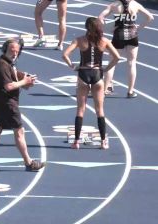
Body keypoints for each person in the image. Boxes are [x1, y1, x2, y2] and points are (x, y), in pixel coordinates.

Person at [0, 39, 44, 172]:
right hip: (8, 104)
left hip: (2, 103)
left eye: (17, 51)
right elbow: (8, 86)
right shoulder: (2, 64)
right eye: (12, 50)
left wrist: (26, 82)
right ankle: (29, 162)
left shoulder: (9, 64)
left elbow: (16, 80)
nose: (14, 53)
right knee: (19, 131)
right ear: (5, 49)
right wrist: (24, 81)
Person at [62, 17, 120, 150]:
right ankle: (103, 142)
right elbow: (117, 57)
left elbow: (65, 54)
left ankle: (76, 142)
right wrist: (106, 69)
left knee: (80, 110)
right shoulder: (104, 41)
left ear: (86, 27)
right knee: (100, 110)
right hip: (97, 75)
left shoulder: (79, 40)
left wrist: (72, 66)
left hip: (83, 74)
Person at [98, 0, 154, 98]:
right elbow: (150, 17)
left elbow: (100, 17)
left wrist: (108, 27)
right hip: (132, 34)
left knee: (112, 62)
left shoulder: (114, 5)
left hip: (118, 34)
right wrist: (139, 27)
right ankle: (130, 91)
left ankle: (105, 89)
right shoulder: (136, 5)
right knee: (132, 63)